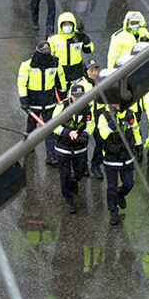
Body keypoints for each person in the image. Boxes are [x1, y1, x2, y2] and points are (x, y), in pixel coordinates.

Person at [17, 39, 65, 165]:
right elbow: (22, 83)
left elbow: (61, 78)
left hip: (49, 102)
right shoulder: (27, 64)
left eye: (47, 51)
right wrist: (24, 100)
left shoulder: (55, 62)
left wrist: (62, 93)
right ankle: (28, 146)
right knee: (31, 126)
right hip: (34, 102)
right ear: (37, 51)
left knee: (49, 129)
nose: (46, 54)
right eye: (43, 52)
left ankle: (51, 155)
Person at [97, 103, 143, 225]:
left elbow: (136, 130)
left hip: (126, 156)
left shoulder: (129, 114)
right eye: (114, 103)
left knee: (129, 183)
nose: (117, 105)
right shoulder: (104, 116)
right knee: (111, 187)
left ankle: (120, 194)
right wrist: (112, 123)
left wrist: (139, 146)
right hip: (110, 157)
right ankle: (113, 212)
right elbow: (103, 134)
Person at [52, 83, 94, 213]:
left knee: (81, 171)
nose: (78, 99)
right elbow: (54, 125)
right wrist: (67, 133)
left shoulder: (87, 108)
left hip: (79, 148)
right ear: (71, 95)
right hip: (63, 147)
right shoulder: (62, 107)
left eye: (81, 96)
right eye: (76, 97)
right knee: (64, 175)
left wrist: (86, 134)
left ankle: (74, 180)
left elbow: (91, 125)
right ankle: (69, 201)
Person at [47, 12, 94, 88]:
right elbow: (49, 58)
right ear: (60, 26)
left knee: (77, 95)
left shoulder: (78, 37)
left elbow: (89, 50)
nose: (67, 27)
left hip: (77, 72)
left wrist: (85, 38)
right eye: (65, 24)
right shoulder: (53, 39)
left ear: (73, 25)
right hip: (61, 71)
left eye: (70, 24)